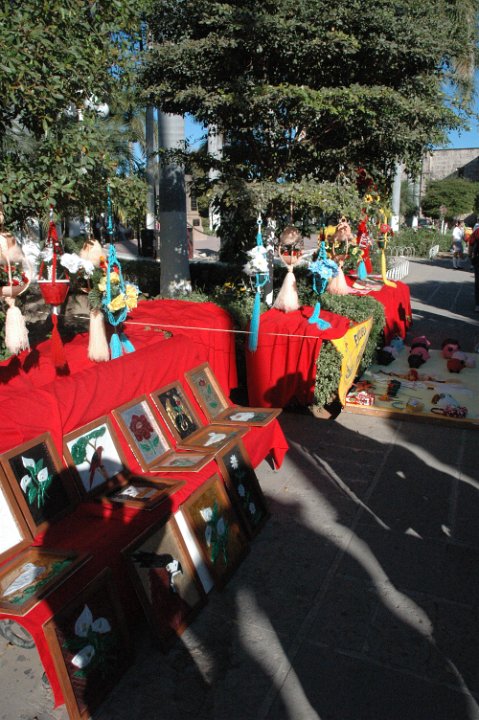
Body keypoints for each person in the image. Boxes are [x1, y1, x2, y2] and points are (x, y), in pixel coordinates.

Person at [468, 225, 479, 311]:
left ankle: (478, 305)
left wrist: (470, 257)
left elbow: (471, 245)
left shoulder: (477, 231)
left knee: (478, 283)